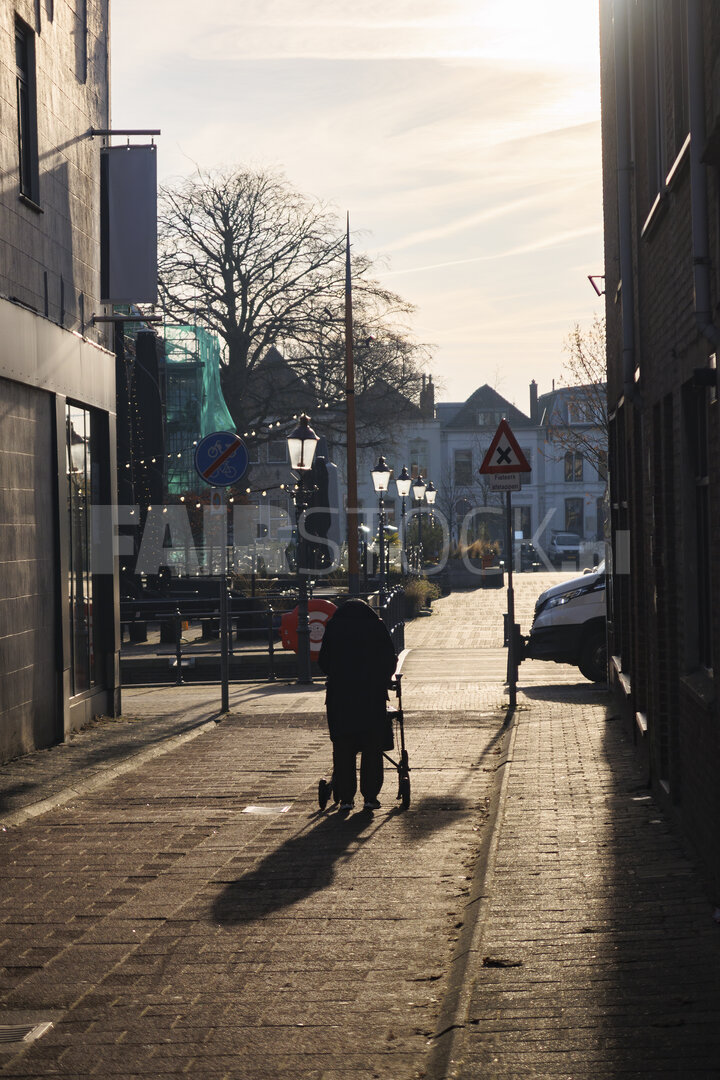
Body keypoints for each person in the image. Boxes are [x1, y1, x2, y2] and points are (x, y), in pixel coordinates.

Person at [318, 598, 397, 812]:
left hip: (341, 699)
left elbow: (323, 661)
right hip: (371, 698)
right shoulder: (376, 626)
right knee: (372, 748)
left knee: (343, 748)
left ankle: (346, 798)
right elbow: (390, 657)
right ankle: (370, 796)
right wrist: (381, 679)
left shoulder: (334, 627)